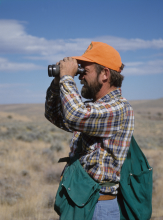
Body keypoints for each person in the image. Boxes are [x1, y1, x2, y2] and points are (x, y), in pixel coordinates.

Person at [45, 41, 134, 220]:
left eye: (84, 71)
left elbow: (75, 115)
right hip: (81, 200)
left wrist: (67, 79)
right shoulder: (93, 108)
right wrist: (57, 82)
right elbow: (54, 115)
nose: (80, 77)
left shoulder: (119, 108)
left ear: (105, 74)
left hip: (98, 206)